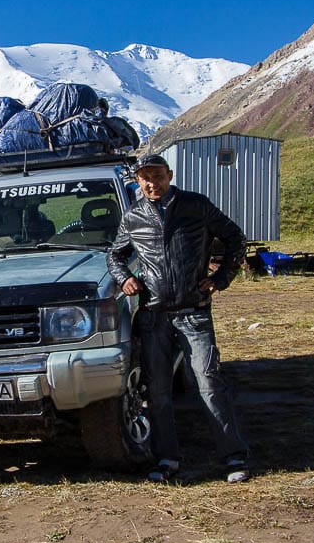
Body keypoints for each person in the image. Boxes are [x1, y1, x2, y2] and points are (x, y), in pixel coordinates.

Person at [107, 154, 251, 484]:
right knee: (157, 391)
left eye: (157, 176)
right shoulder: (133, 217)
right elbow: (114, 254)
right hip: (154, 315)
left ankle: (233, 457)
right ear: (138, 181)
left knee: (209, 384)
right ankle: (167, 459)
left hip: (193, 312)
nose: (151, 183)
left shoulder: (196, 206)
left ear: (169, 175)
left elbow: (235, 238)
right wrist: (124, 277)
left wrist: (220, 278)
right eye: (145, 178)